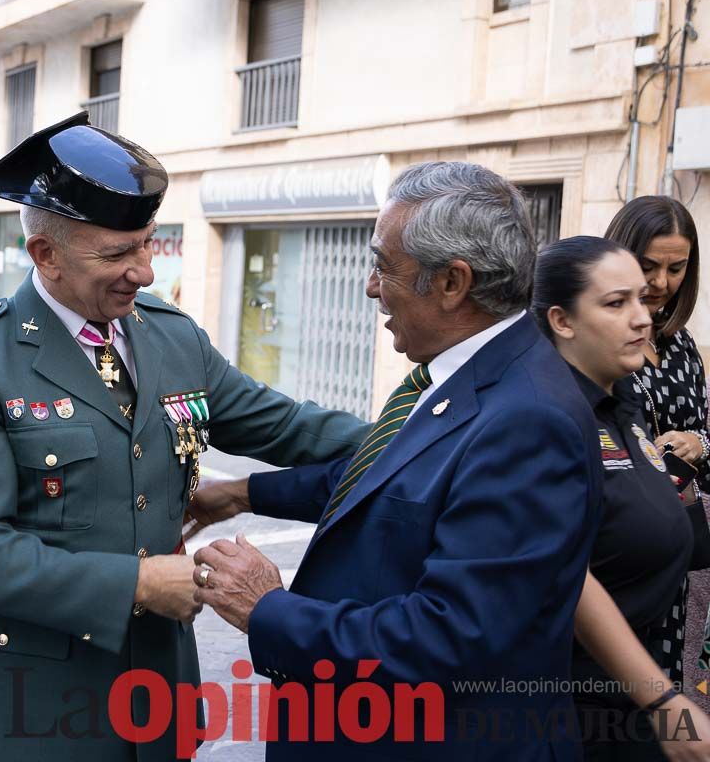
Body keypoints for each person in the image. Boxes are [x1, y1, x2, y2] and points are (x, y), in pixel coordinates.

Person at [0, 111, 368, 761]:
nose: (145, 271)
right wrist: (140, 585)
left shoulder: (170, 333)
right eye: (119, 253)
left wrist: (434, 432)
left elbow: (292, 428)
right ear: (46, 256)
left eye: (149, 244)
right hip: (33, 709)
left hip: (157, 699)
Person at [190, 161, 603, 761]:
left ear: (452, 282)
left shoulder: (528, 421)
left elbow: (449, 636)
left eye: (384, 265)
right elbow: (385, 480)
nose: (370, 286)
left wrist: (268, 609)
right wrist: (242, 494)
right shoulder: (461, 375)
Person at [532, 235, 710, 760]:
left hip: (640, 671)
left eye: (641, 298)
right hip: (568, 696)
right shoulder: (545, 415)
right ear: (562, 321)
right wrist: (663, 702)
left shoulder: (621, 394)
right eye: (617, 303)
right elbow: (567, 571)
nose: (643, 317)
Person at [604, 197, 710, 702]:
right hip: (614, 560)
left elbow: (704, 432)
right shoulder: (594, 337)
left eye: (676, 268)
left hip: (677, 557)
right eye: (648, 266)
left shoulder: (680, 344)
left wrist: (699, 443)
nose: (662, 282)